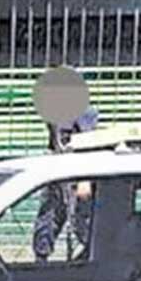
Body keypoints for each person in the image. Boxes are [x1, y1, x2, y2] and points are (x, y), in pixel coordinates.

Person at [33, 107, 99, 262]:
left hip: (76, 172)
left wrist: (85, 179)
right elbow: (54, 142)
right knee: (49, 216)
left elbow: (89, 143)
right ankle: (41, 258)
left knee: (81, 220)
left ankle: (92, 256)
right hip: (57, 171)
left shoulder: (83, 112)